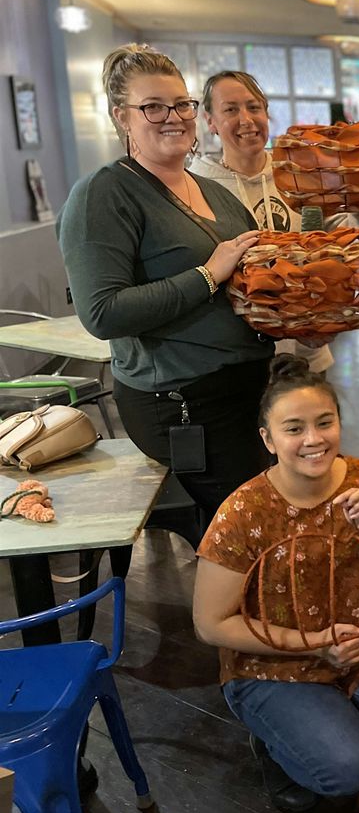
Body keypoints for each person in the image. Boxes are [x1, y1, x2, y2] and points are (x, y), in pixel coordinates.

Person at [193, 355, 359, 813]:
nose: (313, 439)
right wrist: (312, 643)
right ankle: (274, 737)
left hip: (353, 646)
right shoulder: (242, 513)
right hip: (269, 666)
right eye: (294, 429)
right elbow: (209, 625)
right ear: (268, 440)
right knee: (349, 771)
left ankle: (321, 721)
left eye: (324, 423)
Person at [58, 44, 274, 528]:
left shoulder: (214, 192)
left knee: (260, 534)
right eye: (152, 106)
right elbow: (103, 312)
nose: (172, 117)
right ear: (122, 117)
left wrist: (302, 315)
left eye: (181, 104)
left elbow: (247, 285)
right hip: (183, 405)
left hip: (251, 392)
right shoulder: (104, 194)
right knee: (239, 543)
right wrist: (207, 275)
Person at [193, 70, 346, 373]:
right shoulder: (196, 185)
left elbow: (340, 237)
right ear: (210, 120)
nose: (246, 119)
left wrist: (331, 310)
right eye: (230, 109)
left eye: (254, 107)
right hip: (238, 359)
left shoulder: (299, 172)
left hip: (307, 355)